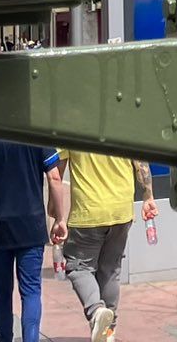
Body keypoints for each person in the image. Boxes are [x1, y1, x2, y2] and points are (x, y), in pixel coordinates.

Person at [0, 135, 68, 342]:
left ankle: (5, 339)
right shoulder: (34, 133)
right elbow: (55, 177)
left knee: (1, 292)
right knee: (30, 290)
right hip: (31, 225)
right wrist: (60, 218)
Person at [59, 145, 155, 342]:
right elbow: (141, 162)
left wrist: (57, 217)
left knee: (78, 267)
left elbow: (56, 175)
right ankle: (108, 331)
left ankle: (96, 311)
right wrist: (148, 197)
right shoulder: (124, 121)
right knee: (110, 271)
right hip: (121, 211)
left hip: (88, 212)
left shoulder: (71, 124)